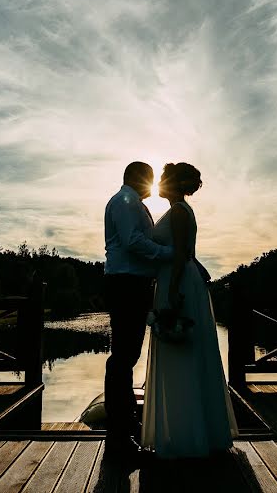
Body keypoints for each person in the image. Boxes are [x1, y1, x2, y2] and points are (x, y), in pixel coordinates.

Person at [142, 162, 238, 458]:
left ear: (174, 183)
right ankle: (189, 430)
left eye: (162, 179)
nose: (158, 183)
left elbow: (183, 253)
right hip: (176, 277)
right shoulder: (178, 210)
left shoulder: (181, 211)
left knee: (182, 352)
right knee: (182, 353)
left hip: (178, 281)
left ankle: (187, 435)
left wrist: (172, 292)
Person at [103, 161, 174, 457]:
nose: (154, 185)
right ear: (138, 178)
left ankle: (125, 424)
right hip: (126, 283)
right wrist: (168, 255)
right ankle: (119, 435)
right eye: (151, 179)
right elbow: (133, 241)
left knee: (126, 353)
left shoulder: (129, 201)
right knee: (123, 355)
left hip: (132, 282)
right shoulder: (125, 201)